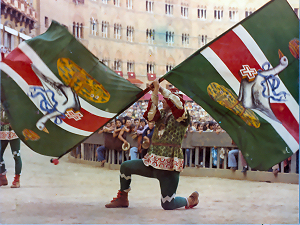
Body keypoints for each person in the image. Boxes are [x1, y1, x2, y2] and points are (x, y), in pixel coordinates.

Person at [105, 79, 199, 210]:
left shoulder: (183, 116)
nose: (163, 100)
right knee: (125, 167)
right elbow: (150, 115)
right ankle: (123, 198)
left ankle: (189, 200)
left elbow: (176, 104)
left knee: (167, 204)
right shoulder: (161, 116)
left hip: (169, 168)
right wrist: (154, 92)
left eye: (165, 99)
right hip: (152, 162)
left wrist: (161, 89)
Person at [0, 104, 22, 188]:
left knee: (16, 154)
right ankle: (2, 176)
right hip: (3, 129)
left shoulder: (14, 98)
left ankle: (17, 179)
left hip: (14, 130)